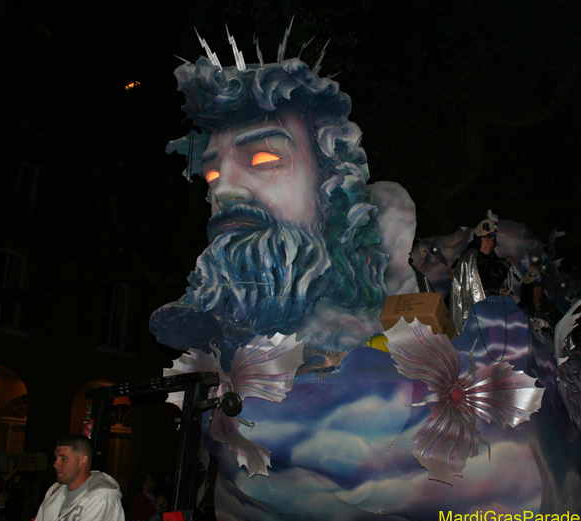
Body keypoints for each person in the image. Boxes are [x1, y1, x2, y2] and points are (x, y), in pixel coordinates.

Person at [149, 40, 418, 356]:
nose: (222, 191)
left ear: (331, 183)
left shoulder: (378, 282)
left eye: (263, 160)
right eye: (212, 176)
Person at [31, 434, 125, 521]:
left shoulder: (102, 498)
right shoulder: (54, 492)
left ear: (82, 460)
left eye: (63, 459)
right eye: (56, 458)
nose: (55, 464)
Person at [450, 210, 517, 332]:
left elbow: (483, 283)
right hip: (475, 317)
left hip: (484, 313)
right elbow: (492, 276)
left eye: (492, 241)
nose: (490, 244)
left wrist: (497, 292)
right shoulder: (472, 257)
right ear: (478, 240)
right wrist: (505, 263)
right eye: (486, 239)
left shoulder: (481, 258)